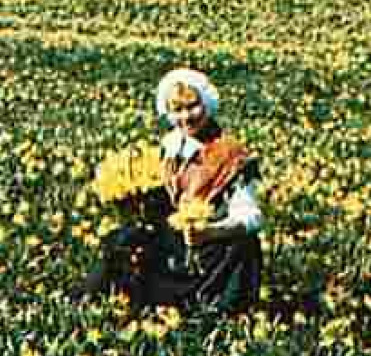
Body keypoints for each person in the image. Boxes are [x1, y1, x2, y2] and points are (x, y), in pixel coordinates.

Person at [72, 68, 264, 314]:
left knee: (244, 245)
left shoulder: (230, 154)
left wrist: (211, 231)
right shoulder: (170, 145)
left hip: (213, 244)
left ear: (207, 104)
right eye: (177, 110)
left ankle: (213, 308)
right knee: (123, 238)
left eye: (193, 107)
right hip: (175, 238)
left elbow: (251, 217)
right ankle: (93, 299)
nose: (186, 117)